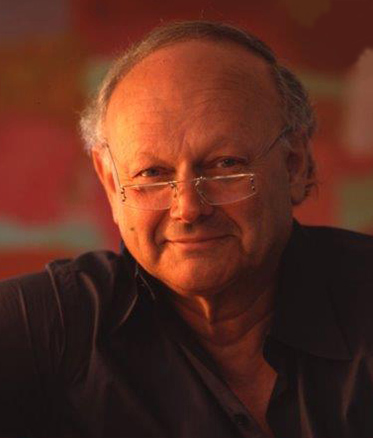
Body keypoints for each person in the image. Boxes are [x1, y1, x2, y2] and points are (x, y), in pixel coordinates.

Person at [0, 20, 372, 438]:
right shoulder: (50, 327)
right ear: (111, 184)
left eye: (225, 164)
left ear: (295, 164)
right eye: (152, 173)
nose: (189, 208)